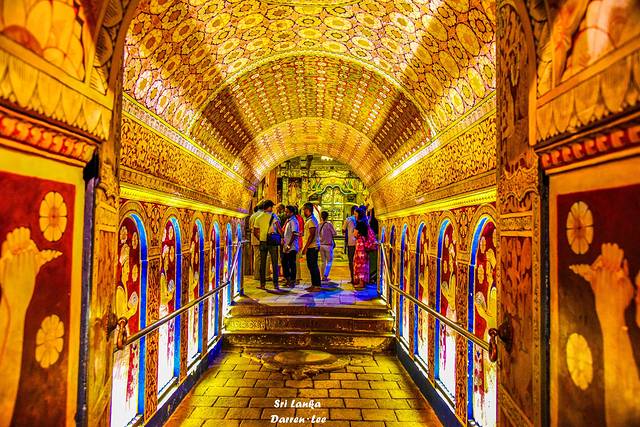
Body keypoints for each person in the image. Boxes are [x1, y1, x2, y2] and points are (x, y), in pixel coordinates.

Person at [253, 200, 281, 290]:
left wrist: (261, 238)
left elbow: (255, 232)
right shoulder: (274, 216)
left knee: (262, 263)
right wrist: (282, 237)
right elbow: (279, 229)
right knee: (274, 262)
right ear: (268, 207)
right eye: (271, 207)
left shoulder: (258, 217)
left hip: (263, 242)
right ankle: (275, 284)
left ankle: (262, 284)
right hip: (272, 242)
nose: (272, 208)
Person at [301, 202, 321, 290]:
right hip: (311, 246)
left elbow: (311, 235)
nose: (303, 212)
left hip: (312, 246)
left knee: (313, 266)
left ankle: (317, 285)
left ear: (308, 210)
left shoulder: (312, 220)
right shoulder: (309, 220)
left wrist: (305, 247)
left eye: (304, 210)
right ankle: (314, 284)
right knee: (311, 266)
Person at [281, 205, 299, 287]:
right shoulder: (288, 221)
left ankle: (292, 280)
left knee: (291, 264)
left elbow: (294, 233)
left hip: (291, 247)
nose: (286, 213)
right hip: (286, 245)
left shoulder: (293, 221)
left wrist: (289, 245)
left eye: (287, 212)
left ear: (292, 213)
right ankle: (288, 279)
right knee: (285, 263)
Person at [319, 211, 337, 281]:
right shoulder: (329, 224)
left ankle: (322, 276)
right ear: (327, 217)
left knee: (323, 261)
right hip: (328, 245)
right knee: (329, 261)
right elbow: (334, 233)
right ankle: (325, 275)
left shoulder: (319, 224)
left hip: (321, 245)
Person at [353, 221, 371, 289]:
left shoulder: (360, 238)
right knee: (363, 268)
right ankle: (362, 282)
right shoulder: (364, 236)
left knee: (360, 268)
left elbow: (354, 235)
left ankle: (361, 283)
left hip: (360, 254)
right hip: (364, 254)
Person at [342, 205, 357, 284]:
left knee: (351, 261)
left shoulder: (348, 219)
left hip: (351, 242)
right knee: (358, 261)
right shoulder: (361, 219)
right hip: (359, 243)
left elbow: (343, 230)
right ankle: (358, 279)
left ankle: (353, 278)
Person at [248, 202, 263, 280]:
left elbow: (250, 227)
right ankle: (262, 274)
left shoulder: (252, 216)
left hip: (254, 238)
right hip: (261, 237)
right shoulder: (262, 215)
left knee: (256, 257)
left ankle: (256, 275)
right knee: (262, 257)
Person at [294, 206, 305, 285]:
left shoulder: (295, 219)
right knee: (296, 260)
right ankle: (297, 276)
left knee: (295, 260)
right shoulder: (300, 218)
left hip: (295, 242)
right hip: (299, 241)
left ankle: (296, 277)